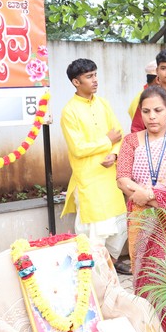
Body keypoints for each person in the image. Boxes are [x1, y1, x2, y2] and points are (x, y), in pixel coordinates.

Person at [116, 85, 166, 315]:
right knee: (145, 273)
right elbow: (122, 179)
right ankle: (149, 325)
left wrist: (147, 194)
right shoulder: (131, 141)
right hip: (141, 221)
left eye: (158, 110)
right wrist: (151, 199)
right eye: (146, 111)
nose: (152, 117)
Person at [58, 58, 128, 270]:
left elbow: (119, 133)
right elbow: (78, 148)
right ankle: (93, 273)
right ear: (76, 82)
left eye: (95, 75)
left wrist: (114, 154)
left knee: (119, 224)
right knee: (95, 230)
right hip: (89, 179)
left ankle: (109, 266)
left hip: (110, 177)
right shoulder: (69, 111)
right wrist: (107, 141)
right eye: (89, 77)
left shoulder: (103, 103)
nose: (95, 80)